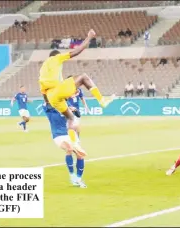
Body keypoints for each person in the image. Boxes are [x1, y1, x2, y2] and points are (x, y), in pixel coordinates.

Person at [38, 28, 115, 156]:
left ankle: (75, 144)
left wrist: (49, 104)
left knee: (71, 118)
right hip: (58, 90)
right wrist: (89, 37)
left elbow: (43, 92)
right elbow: (77, 51)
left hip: (52, 98)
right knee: (84, 77)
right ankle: (102, 101)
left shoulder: (42, 70)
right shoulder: (56, 58)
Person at [43, 103, 87, 188]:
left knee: (80, 155)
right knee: (69, 149)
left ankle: (78, 179)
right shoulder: (48, 104)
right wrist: (66, 108)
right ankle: (72, 175)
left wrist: (74, 110)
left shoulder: (66, 104)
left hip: (70, 134)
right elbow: (49, 105)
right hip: (58, 135)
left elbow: (78, 115)